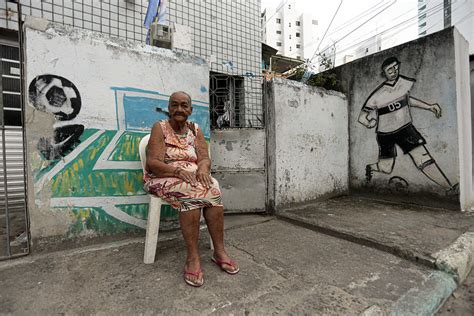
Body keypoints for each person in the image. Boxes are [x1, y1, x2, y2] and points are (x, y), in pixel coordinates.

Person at [144, 91, 239, 287]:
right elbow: (153, 163)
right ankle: (193, 257)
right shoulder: (159, 128)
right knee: (191, 190)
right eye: (174, 105)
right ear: (169, 108)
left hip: (192, 179)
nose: (179, 109)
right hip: (163, 177)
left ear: (190, 109)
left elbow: (204, 157)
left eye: (184, 105)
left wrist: (203, 169)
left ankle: (219, 251)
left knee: (212, 186)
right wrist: (178, 171)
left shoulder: (195, 130)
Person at [358, 56, 456, 192]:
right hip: (385, 134)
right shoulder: (377, 95)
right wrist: (369, 123)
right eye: (389, 69)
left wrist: (429, 106)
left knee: (422, 158)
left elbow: (408, 100)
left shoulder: (403, 84)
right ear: (384, 73)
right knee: (386, 168)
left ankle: (450, 188)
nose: (393, 70)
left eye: (395, 67)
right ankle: (371, 167)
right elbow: (362, 117)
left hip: (405, 129)